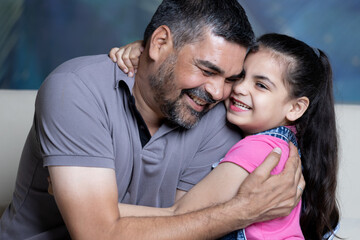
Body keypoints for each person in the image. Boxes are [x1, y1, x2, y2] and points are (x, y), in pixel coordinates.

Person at [0, 1, 304, 239]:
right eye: (207, 70)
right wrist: (243, 211)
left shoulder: (221, 120)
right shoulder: (77, 90)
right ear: (159, 43)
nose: (217, 91)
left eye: (231, 78)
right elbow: (97, 235)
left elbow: (185, 224)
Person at [110, 33, 340, 239]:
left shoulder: (259, 150)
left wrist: (92, 210)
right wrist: (147, 52)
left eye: (261, 85)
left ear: (296, 108)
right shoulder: (285, 141)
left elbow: (179, 216)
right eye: (239, 76)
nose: (239, 88)